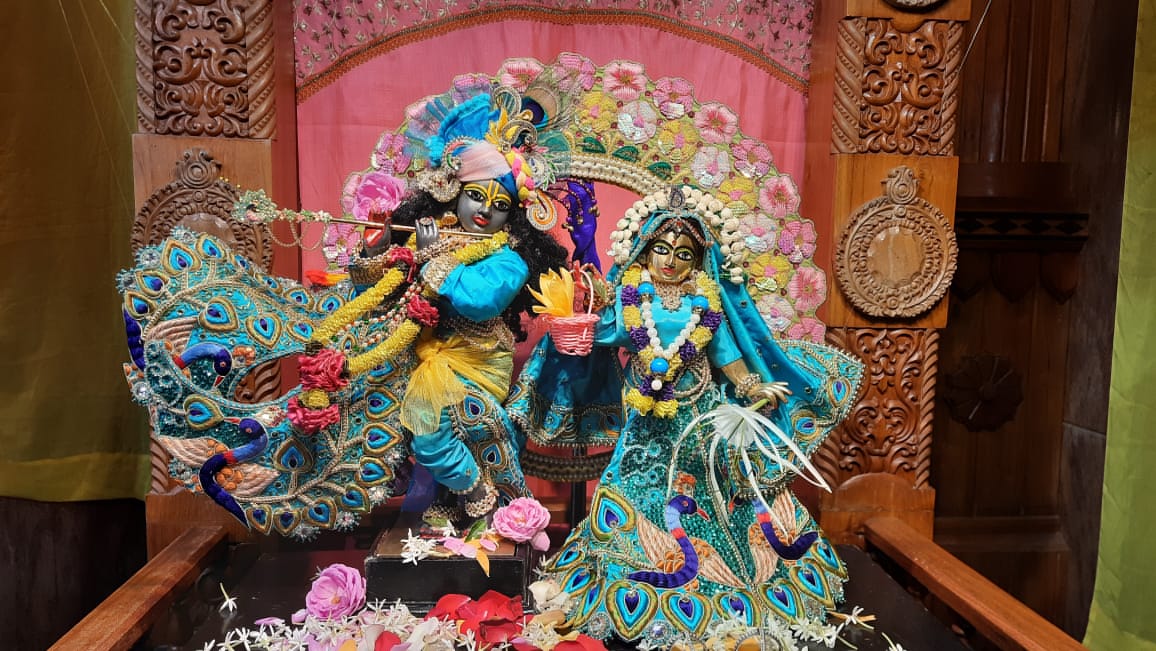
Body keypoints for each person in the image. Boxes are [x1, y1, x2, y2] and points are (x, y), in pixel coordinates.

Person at [510, 185, 863, 648]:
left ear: (697, 261)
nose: (670, 261)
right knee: (630, 488)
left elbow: (726, 354)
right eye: (661, 249)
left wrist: (751, 386)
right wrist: (575, 322)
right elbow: (604, 332)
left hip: (699, 417)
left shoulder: (706, 302)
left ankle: (734, 587)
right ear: (645, 250)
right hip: (644, 422)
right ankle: (626, 573)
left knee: (714, 492)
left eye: (683, 254)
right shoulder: (631, 297)